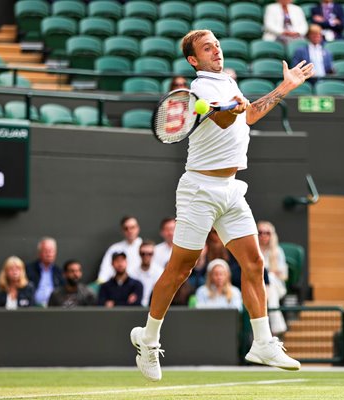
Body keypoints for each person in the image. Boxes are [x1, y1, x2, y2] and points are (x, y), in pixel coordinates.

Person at [130, 29, 313, 381]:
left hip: (231, 188)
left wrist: (284, 88)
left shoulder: (227, 83)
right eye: (206, 47)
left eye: (216, 44)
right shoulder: (198, 89)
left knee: (254, 261)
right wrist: (231, 108)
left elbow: (249, 116)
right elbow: (226, 117)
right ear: (193, 60)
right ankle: (148, 339)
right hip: (199, 189)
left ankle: (262, 341)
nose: (216, 50)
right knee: (180, 269)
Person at [257, 220, 288, 336]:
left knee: (270, 278)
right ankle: (277, 328)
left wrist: (268, 274)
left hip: (276, 287)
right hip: (258, 286)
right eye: (260, 232)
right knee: (269, 278)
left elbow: (284, 274)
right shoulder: (253, 250)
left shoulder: (278, 251)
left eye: (267, 233)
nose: (263, 235)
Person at [97, 216, 143, 283]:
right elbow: (105, 271)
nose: (129, 231)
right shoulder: (115, 248)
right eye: (126, 228)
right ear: (122, 230)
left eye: (132, 227)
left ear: (138, 228)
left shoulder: (146, 249)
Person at [26, 237, 64, 307]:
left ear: (55, 253)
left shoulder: (59, 272)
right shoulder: (29, 269)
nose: (49, 254)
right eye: (46, 251)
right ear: (39, 253)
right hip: (33, 307)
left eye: (51, 251)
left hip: (54, 307)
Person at [128, 240, 163, 307]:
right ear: (139, 253)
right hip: (134, 308)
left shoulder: (160, 272)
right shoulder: (131, 272)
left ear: (153, 254)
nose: (146, 256)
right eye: (143, 253)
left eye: (150, 254)